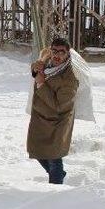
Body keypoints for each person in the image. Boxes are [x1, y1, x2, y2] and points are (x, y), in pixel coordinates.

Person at [27, 38, 79, 184]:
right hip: (42, 117)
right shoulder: (48, 61)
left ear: (67, 54)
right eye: (54, 51)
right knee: (37, 150)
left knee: (54, 155)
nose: (57, 55)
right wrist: (35, 69)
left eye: (61, 52)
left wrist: (42, 83)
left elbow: (60, 106)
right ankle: (57, 174)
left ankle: (56, 187)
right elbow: (38, 69)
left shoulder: (70, 78)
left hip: (58, 120)